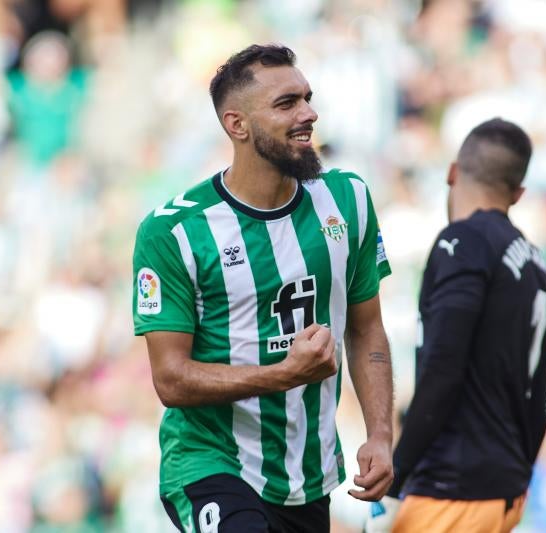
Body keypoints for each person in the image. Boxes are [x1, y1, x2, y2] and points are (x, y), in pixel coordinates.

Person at [132, 44, 394, 533]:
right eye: (286, 103)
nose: (308, 114)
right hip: (211, 462)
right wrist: (284, 374)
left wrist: (381, 433)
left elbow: (367, 329)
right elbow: (170, 379)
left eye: (307, 98)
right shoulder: (175, 232)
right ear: (237, 125)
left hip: (308, 475)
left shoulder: (348, 199)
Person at [367, 118, 546, 532]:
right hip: (505, 493)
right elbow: (539, 404)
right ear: (518, 194)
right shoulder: (537, 265)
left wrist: (395, 480)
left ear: (452, 172)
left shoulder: (463, 243)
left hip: (452, 488)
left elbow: (444, 368)